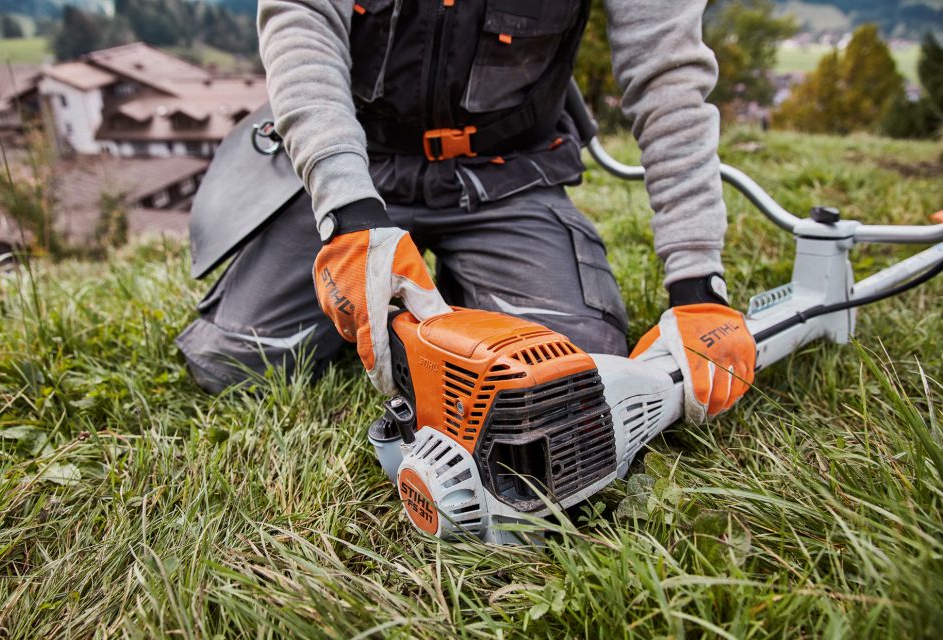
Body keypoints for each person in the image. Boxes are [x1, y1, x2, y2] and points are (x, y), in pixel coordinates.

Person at [176, 0, 756, 424]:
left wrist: (697, 283)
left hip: (505, 175)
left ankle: (453, 293)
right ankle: (402, 307)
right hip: (358, 158)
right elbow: (301, 23)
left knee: (570, 376)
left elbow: (668, 79)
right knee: (232, 363)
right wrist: (346, 213)